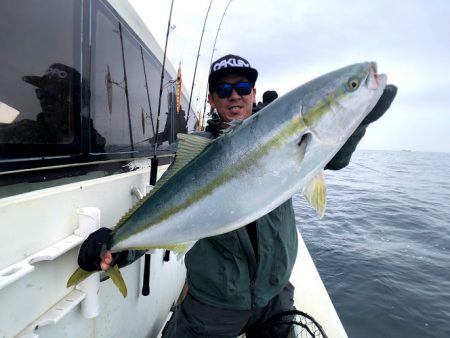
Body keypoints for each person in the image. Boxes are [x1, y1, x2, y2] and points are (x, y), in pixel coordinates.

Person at [77, 54, 397, 337]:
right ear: (212, 100)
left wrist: (360, 120)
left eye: (243, 88)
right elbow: (166, 208)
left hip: (275, 294)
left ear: (254, 94)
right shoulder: (196, 151)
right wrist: (118, 247)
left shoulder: (291, 135)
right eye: (224, 90)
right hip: (214, 303)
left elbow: (334, 157)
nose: (235, 96)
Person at [0, 63, 105, 152]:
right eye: (42, 93)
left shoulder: (93, 142)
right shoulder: (21, 132)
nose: (44, 100)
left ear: (75, 103)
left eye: (54, 95)